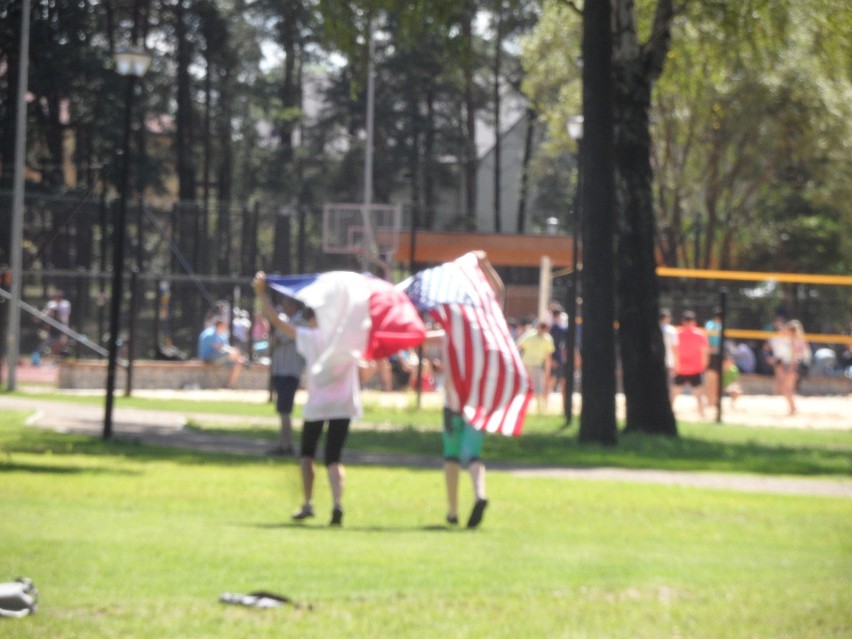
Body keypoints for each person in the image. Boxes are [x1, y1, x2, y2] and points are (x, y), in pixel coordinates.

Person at [253, 271, 361, 527]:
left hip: (318, 406)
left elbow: (277, 323)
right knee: (334, 458)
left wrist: (260, 293)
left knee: (307, 455)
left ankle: (309, 503)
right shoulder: (348, 340)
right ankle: (337, 504)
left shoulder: (312, 338)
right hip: (344, 405)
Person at [267, 297, 306, 456]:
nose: (283, 306)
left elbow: (277, 339)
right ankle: (283, 444)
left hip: (289, 370)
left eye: (286, 304)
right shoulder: (288, 321)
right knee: (282, 410)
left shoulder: (297, 322)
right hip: (280, 369)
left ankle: (286, 445)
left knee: (285, 410)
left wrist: (275, 338)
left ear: (294, 306)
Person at [670, 310, 710, 417]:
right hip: (695, 368)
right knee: (698, 395)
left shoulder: (677, 334)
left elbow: (673, 351)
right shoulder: (700, 334)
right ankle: (702, 414)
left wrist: (674, 366)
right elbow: (704, 352)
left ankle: (667, 412)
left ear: (682, 321)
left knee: (674, 393)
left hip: (681, 368)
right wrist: (704, 366)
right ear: (694, 321)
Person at [772, 319, 809, 415]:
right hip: (800, 365)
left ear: (791, 331)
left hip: (796, 365)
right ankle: (792, 407)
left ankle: (793, 408)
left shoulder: (794, 340)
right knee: (789, 388)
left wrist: (792, 367)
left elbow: (795, 356)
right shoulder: (800, 339)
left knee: (785, 387)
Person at [518, 320, 555, 414]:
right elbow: (518, 346)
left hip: (534, 365)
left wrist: (547, 371)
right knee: (532, 388)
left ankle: (538, 410)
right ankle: (533, 410)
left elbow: (548, 357)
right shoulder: (533, 336)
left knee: (537, 388)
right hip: (528, 365)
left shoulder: (545, 338)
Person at [197, 318, 244, 389]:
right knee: (230, 352)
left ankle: (228, 385)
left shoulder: (222, 335)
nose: (226, 328)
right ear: (220, 325)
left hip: (220, 358)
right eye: (224, 326)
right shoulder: (209, 334)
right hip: (208, 358)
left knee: (239, 362)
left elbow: (226, 347)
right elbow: (220, 347)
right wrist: (234, 352)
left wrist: (235, 353)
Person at [41, 290, 71, 358]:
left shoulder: (65, 304)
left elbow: (64, 316)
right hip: (51, 327)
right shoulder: (51, 304)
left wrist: (56, 311)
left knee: (61, 342)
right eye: (56, 296)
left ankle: (58, 356)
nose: (57, 298)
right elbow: (45, 314)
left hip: (62, 326)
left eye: (59, 297)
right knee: (49, 342)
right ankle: (51, 356)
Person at [703, 308, 723, 411]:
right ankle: (709, 401)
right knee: (710, 379)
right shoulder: (710, 325)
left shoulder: (721, 326)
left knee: (716, 380)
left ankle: (714, 401)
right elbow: (706, 336)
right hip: (711, 354)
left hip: (719, 354)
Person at [659, 308, 679, 388]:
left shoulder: (654, 329)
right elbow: (674, 348)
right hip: (668, 362)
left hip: (655, 361)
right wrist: (676, 362)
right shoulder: (671, 330)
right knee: (667, 385)